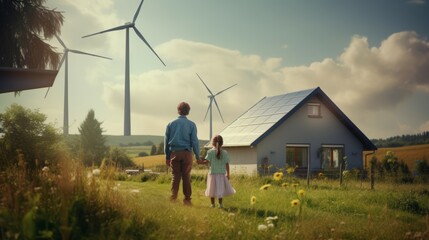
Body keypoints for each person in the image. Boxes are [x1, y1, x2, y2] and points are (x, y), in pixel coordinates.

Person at [164, 102, 200, 206]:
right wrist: (197, 156)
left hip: (174, 153)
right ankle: (187, 200)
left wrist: (167, 156)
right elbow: (194, 142)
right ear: (188, 111)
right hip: (187, 153)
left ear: (178, 110)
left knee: (175, 177)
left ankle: (173, 198)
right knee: (186, 177)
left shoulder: (170, 124)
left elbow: (166, 142)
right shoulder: (192, 125)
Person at [198, 135, 235, 208]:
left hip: (212, 174)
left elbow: (206, 162)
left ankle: (212, 204)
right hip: (221, 175)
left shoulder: (210, 152)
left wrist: (199, 162)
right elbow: (227, 164)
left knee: (212, 189)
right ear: (222, 143)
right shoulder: (225, 153)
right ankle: (220, 204)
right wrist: (228, 174)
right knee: (220, 189)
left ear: (212, 143)